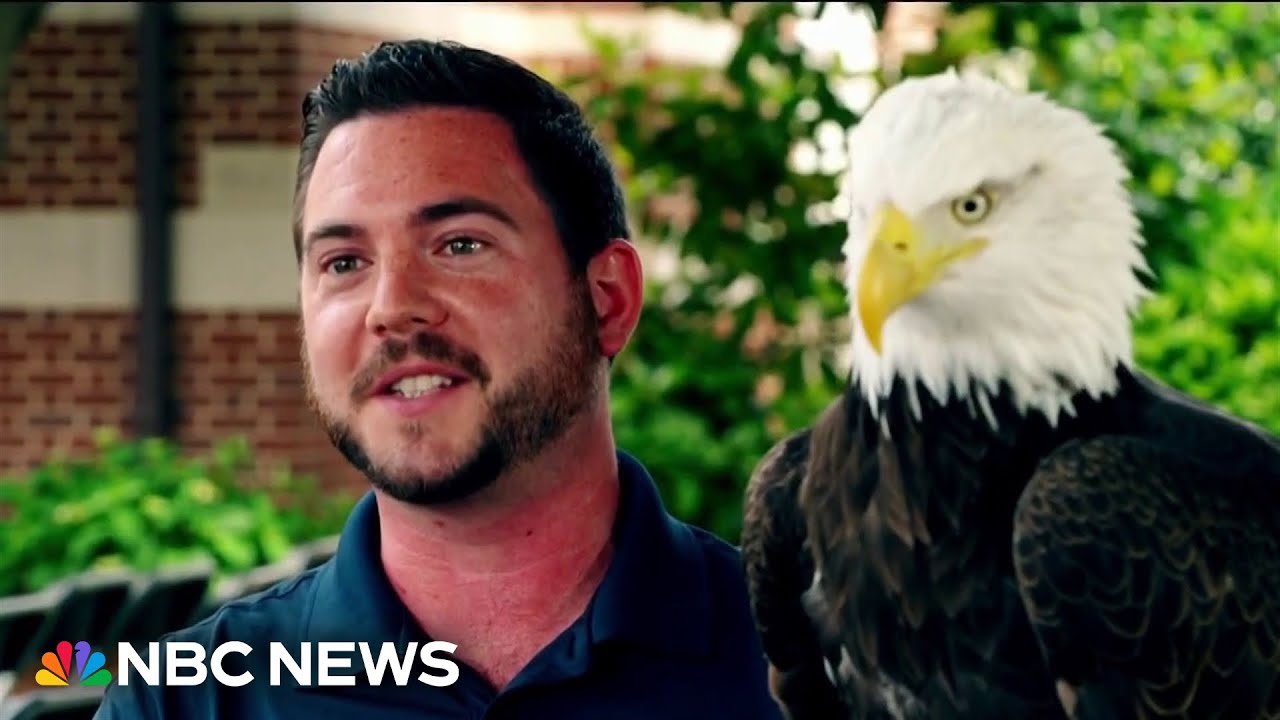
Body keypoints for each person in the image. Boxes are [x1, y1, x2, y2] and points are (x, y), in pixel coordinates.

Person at [94, 38, 785, 719]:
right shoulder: (182, 702)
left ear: (607, 299)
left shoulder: (808, 666)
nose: (392, 307)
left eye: (459, 245)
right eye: (344, 262)